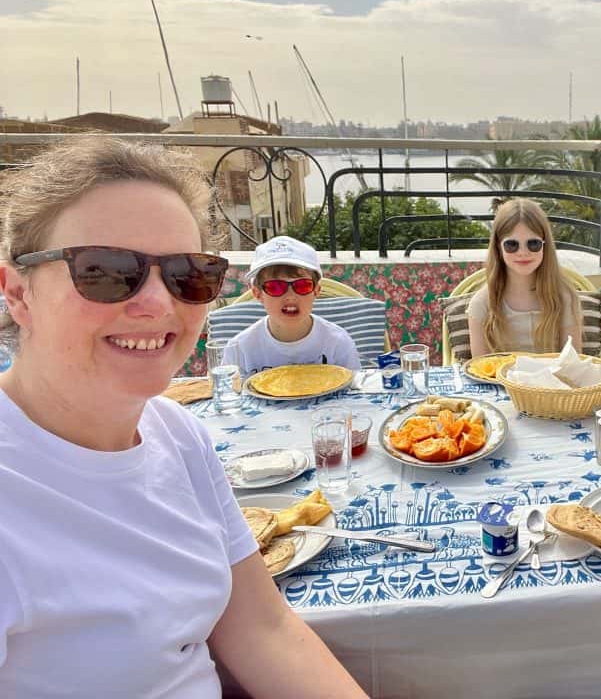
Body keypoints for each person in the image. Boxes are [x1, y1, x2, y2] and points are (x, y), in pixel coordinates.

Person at [0, 138, 368, 698]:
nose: (157, 304)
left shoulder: (178, 434)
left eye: (187, 274)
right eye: (104, 270)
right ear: (17, 293)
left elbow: (261, 629)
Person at [223, 235, 360, 376]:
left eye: (302, 286)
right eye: (275, 287)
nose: (290, 296)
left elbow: (357, 391)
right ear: (258, 294)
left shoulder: (337, 343)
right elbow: (227, 394)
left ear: (316, 291)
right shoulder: (239, 349)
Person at [468, 198, 582, 356]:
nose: (523, 252)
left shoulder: (565, 298)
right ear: (498, 248)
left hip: (553, 381)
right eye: (512, 245)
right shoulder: (481, 304)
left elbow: (573, 364)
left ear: (545, 245)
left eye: (533, 244)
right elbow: (480, 371)